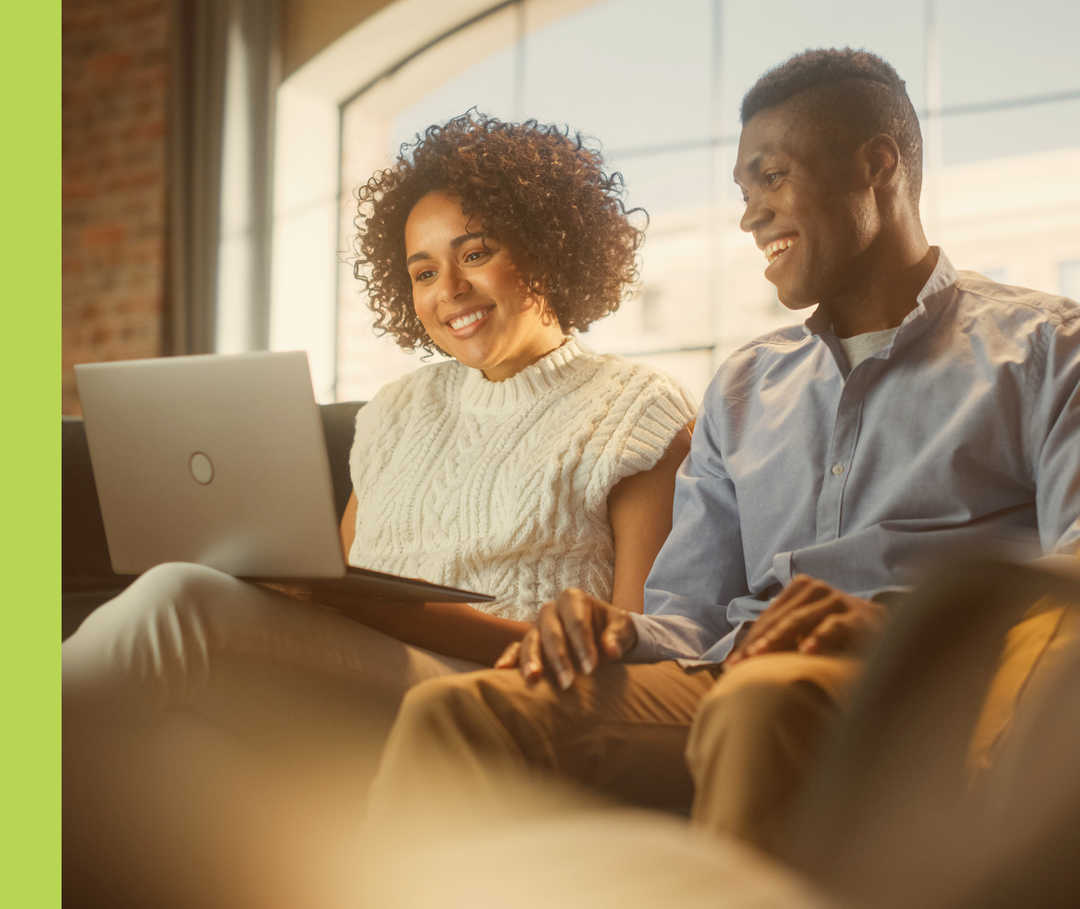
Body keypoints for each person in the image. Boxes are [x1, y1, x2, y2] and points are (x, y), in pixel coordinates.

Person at [370, 48, 1080, 855]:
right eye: (744, 193)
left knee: (761, 702)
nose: (750, 216)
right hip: (727, 680)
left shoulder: (1048, 348)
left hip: (923, 693)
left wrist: (898, 624)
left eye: (772, 178)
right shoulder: (746, 384)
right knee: (458, 711)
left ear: (878, 165)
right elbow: (687, 618)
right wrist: (611, 628)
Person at [62, 112, 695, 905]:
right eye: (423, 270)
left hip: (491, 695)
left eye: (476, 252)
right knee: (163, 740)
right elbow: (336, 583)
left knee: (177, 603)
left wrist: (386, 614)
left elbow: (641, 651)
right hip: (364, 679)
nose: (449, 291)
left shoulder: (638, 409)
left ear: (549, 242)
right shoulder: (398, 409)